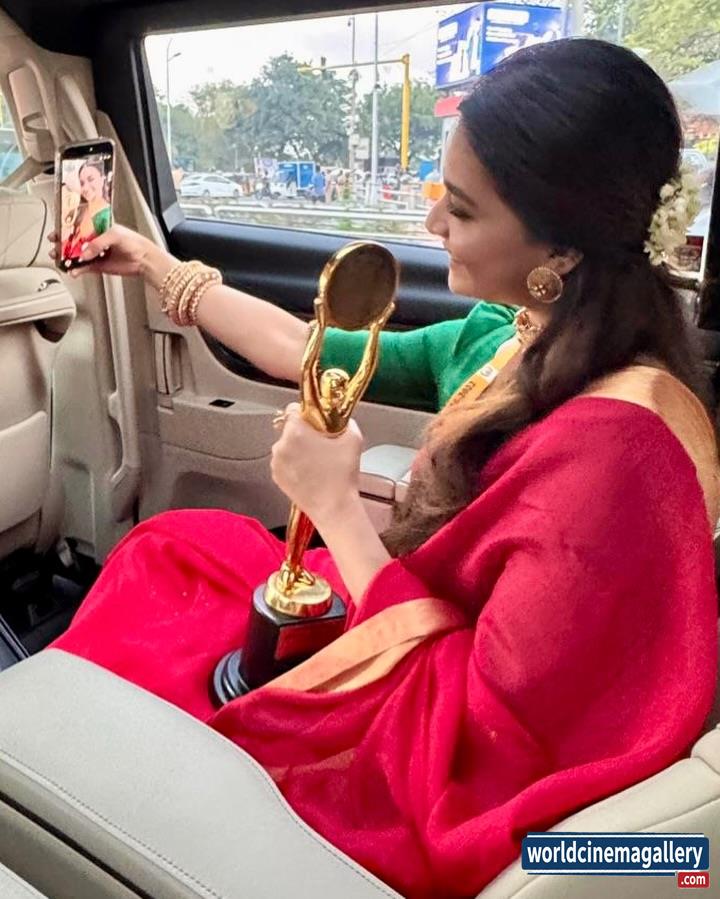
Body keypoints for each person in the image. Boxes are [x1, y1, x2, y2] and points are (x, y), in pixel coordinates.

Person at [48, 40, 718, 899]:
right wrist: (153, 263)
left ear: (562, 244)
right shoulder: (505, 333)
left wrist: (335, 506)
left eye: (461, 211)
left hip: (450, 752)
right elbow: (306, 347)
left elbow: (486, 733)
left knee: (159, 662)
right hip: (413, 614)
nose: (433, 226)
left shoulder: (616, 461)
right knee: (173, 547)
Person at [61, 161, 112, 263]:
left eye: (91, 179)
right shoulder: (80, 211)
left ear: (102, 179)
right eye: (82, 183)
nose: (85, 188)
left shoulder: (106, 216)